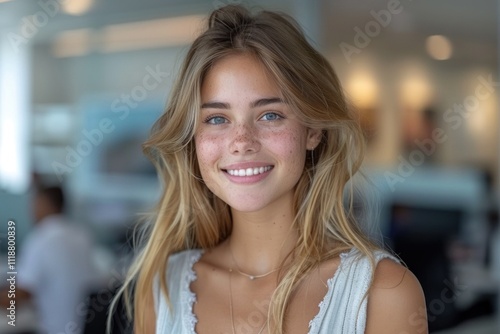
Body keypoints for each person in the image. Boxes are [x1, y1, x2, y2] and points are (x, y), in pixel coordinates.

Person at [115, 5, 428, 334]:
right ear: (193, 140)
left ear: (312, 130)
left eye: (269, 115)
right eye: (217, 119)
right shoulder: (161, 289)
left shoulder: (383, 294)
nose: (242, 142)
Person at [10, 186, 97, 334]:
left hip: (53, 329)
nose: (31, 211)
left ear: (44, 204)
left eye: (34, 203)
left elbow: (23, 292)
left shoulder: (41, 238)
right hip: (83, 327)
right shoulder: (81, 235)